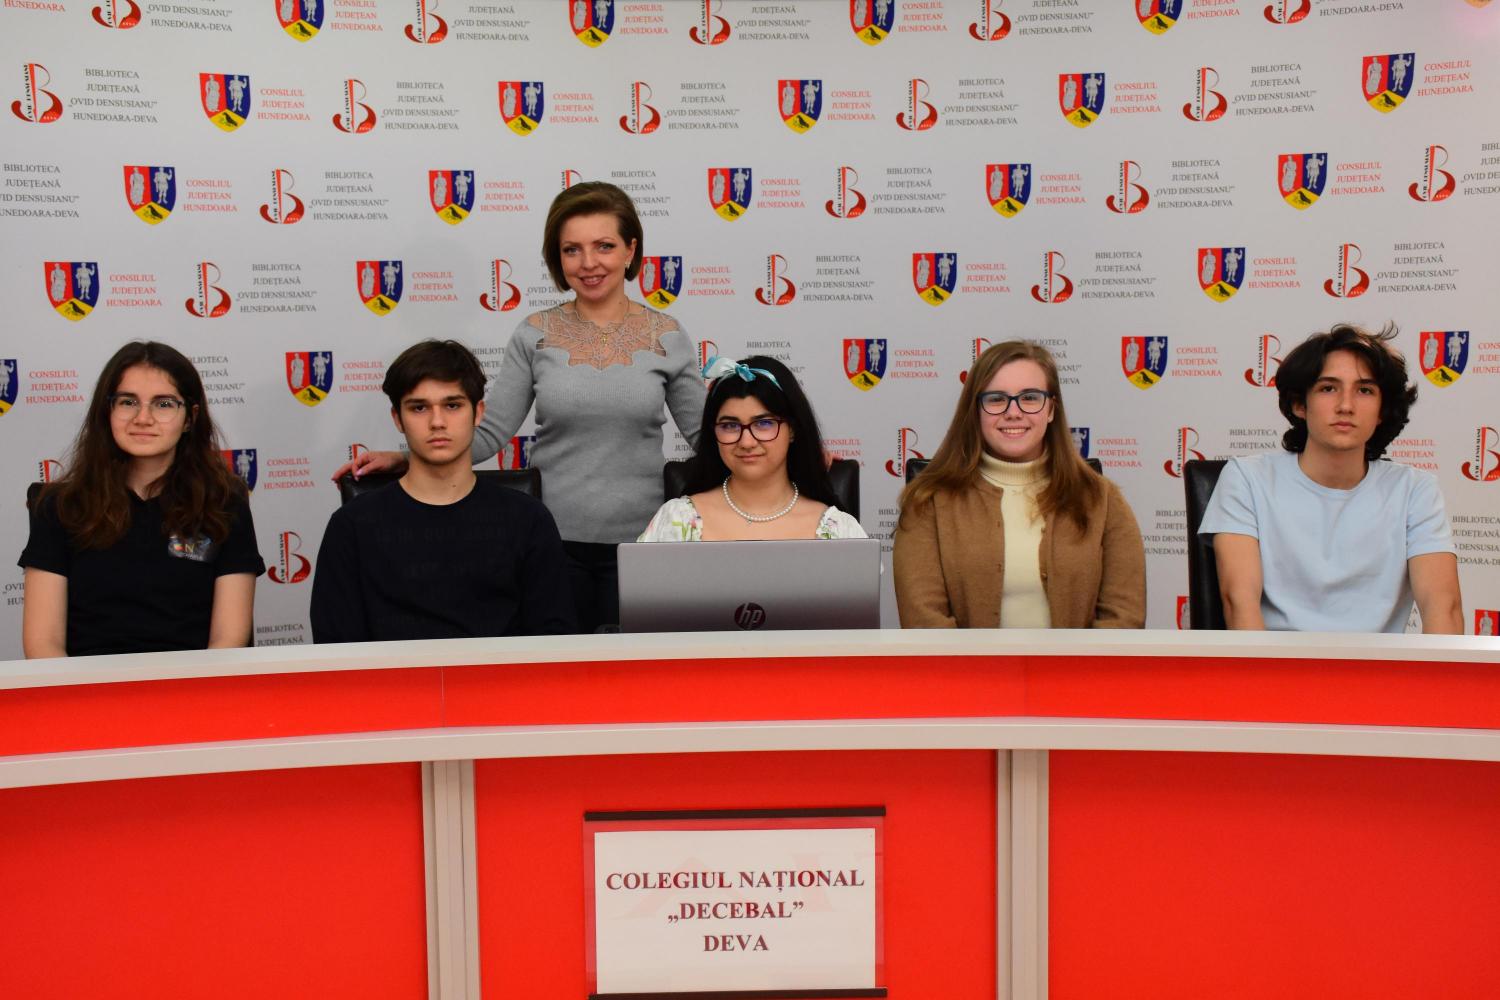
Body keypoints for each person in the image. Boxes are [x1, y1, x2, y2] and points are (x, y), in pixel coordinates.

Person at [333, 182, 705, 631]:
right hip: (550, 545)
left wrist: (778, 459)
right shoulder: (534, 333)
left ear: (630, 250)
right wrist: (405, 459)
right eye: (572, 250)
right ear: (557, 258)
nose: (588, 263)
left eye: (604, 246)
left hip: (645, 544)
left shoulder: (668, 335)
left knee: (630, 673)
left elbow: (708, 437)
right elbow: (489, 433)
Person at [1200, 323, 1462, 633]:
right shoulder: (1247, 478)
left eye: (1364, 390)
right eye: (1328, 388)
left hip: (1378, 664)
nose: (1346, 406)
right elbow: (1239, 603)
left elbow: (1443, 607)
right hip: (1279, 660)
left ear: (1382, 410)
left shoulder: (1415, 490)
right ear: (1300, 404)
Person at [311, 340, 575, 642]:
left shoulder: (528, 519)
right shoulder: (351, 526)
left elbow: (555, 639)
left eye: (452, 405)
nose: (437, 422)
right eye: (419, 408)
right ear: (398, 419)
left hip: (501, 674)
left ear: (478, 413)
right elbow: (336, 649)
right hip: (392, 675)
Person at [19, 341, 263, 657]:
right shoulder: (59, 507)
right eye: (128, 402)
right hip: (87, 684)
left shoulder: (224, 505)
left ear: (190, 418)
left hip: (193, 683)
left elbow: (229, 641)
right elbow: (43, 646)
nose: (143, 418)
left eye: (164, 404)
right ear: (107, 411)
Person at [893, 341, 1145, 628]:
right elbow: (924, 623)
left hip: (1079, 661)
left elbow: (1124, 619)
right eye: (996, 399)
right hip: (962, 661)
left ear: (1051, 409)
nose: (1013, 412)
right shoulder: (928, 502)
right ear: (975, 411)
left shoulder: (1103, 499)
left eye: (1030, 397)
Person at [638, 356, 865, 542]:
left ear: (792, 429)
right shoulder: (676, 521)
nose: (746, 442)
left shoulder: (839, 531)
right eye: (730, 426)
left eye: (763, 424)